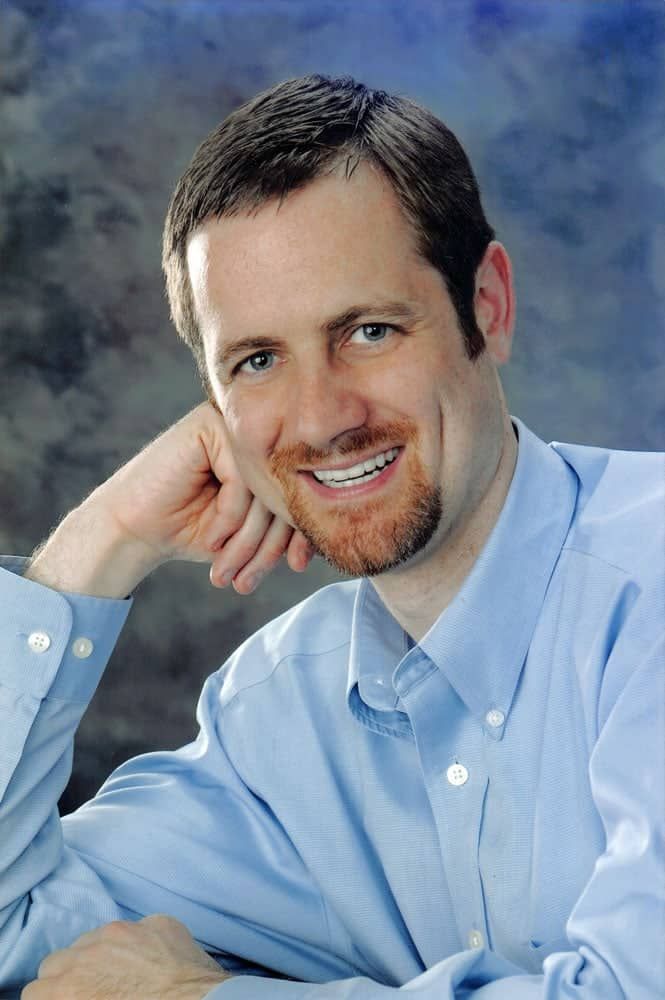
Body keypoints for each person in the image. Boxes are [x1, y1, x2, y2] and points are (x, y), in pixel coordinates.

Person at [0, 74, 662, 1000]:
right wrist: (98, 543)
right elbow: (14, 933)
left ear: (488, 307)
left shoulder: (650, 593)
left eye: (368, 331)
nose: (320, 418)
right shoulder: (280, 715)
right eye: (257, 361)